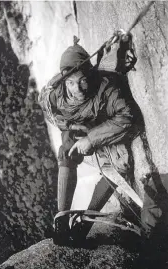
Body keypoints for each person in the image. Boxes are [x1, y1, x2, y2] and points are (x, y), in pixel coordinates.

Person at [39, 31, 143, 245]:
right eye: (70, 83)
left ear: (90, 76)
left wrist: (91, 139)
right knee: (67, 145)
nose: (77, 89)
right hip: (81, 134)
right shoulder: (54, 96)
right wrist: (71, 126)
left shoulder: (105, 87)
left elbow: (128, 116)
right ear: (63, 82)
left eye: (83, 81)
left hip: (104, 133)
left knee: (121, 164)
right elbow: (50, 113)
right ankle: (62, 217)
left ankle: (85, 223)